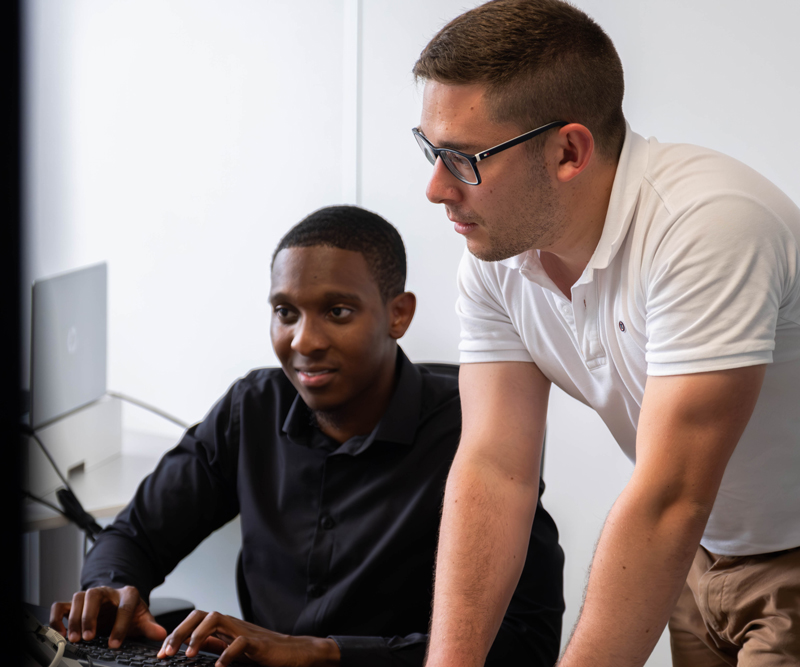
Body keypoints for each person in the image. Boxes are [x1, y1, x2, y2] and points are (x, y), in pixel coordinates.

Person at [410, 1, 800, 666]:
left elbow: (668, 498)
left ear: (569, 151)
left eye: (464, 158)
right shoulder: (498, 254)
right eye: (430, 149)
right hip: (702, 553)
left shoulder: (707, 228)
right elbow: (496, 468)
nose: (436, 187)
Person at [49, 206, 565, 667]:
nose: (303, 341)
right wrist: (112, 590)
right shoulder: (251, 408)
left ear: (398, 314)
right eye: (285, 313)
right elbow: (135, 536)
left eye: (337, 312)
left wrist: (324, 654)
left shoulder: (475, 427)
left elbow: (524, 644)